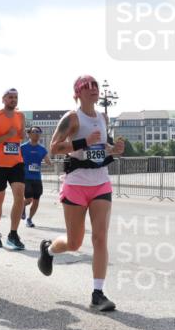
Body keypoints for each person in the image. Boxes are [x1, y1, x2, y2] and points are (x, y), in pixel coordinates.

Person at [38, 75, 125, 312]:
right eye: (87, 87)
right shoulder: (72, 118)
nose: (93, 90)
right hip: (76, 184)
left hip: (100, 183)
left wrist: (113, 150)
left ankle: (98, 293)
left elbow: (101, 146)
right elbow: (54, 148)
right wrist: (83, 142)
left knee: (100, 238)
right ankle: (48, 250)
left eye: (95, 86)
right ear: (78, 93)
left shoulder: (102, 117)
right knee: (74, 242)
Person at [0, 88, 26, 249]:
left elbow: (21, 135)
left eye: (15, 97)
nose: (13, 100)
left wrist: (22, 134)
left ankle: (13, 234)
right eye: (10, 97)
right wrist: (6, 137)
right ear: (3, 99)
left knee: (20, 197)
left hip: (16, 162)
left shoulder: (20, 115)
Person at [20, 126, 49, 228]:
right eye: (34, 131)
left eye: (39, 132)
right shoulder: (22, 147)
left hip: (37, 178)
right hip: (26, 177)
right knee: (29, 199)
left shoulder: (42, 149)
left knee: (36, 200)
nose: (37, 133)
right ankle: (22, 205)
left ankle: (29, 219)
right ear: (29, 134)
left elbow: (48, 161)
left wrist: (49, 160)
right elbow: (16, 160)